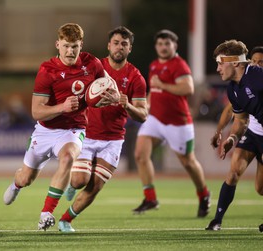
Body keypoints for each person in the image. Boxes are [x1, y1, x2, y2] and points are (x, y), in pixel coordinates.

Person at [3, 23, 119, 231]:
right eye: (66, 46)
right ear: (58, 44)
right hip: (45, 130)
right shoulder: (47, 70)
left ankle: (46, 214)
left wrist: (114, 95)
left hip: (73, 130)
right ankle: (16, 184)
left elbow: (109, 83)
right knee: (26, 177)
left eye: (74, 46)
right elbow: (36, 112)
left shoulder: (91, 63)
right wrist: (62, 107)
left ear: (80, 45)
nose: (70, 51)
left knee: (67, 158)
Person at [57, 26, 148, 232]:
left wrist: (126, 104)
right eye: (115, 43)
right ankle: (72, 184)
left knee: (95, 186)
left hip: (113, 140)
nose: (119, 47)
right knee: (80, 180)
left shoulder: (135, 77)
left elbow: (143, 115)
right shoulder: (94, 68)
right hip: (87, 135)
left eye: (124, 44)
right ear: (109, 45)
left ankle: (65, 220)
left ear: (130, 48)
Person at [132, 29, 211, 217]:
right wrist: (147, 104)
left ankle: (204, 194)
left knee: (188, 162)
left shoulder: (179, 65)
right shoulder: (154, 65)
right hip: (155, 120)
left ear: (174, 45)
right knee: (140, 154)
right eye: (160, 44)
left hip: (178, 122)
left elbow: (188, 88)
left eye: (167, 43)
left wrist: (163, 85)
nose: (163, 47)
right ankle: (150, 198)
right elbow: (154, 90)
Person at [206, 42, 263, 231]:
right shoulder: (232, 89)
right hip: (256, 133)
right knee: (234, 170)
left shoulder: (257, 76)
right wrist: (231, 138)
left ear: (236, 63)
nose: (217, 68)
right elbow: (240, 120)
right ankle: (217, 220)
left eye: (221, 62)